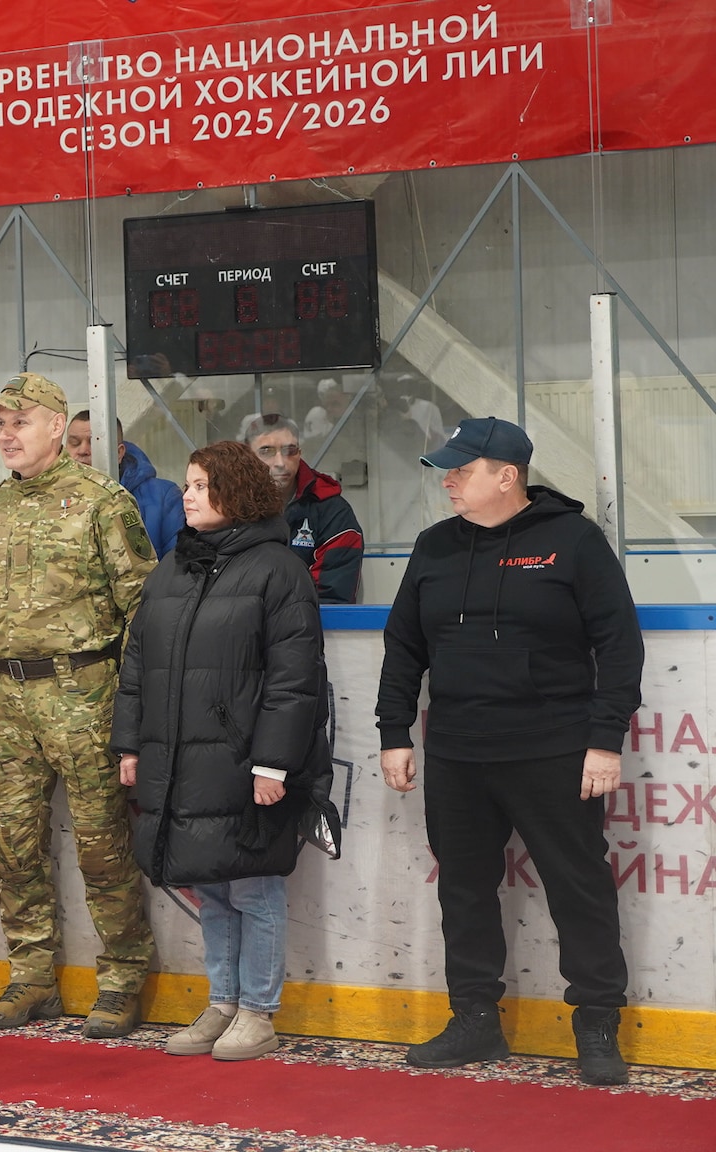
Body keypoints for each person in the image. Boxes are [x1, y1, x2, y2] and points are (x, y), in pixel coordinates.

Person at [377, 417, 643, 1087]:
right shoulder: (434, 546)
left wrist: (605, 740)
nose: (448, 481)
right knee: (464, 890)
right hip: (458, 751)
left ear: (506, 476)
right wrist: (393, 732)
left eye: (462, 470)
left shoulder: (573, 541)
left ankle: (597, 1024)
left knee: (578, 888)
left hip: (554, 748)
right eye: (447, 470)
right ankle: (475, 1020)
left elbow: (619, 645)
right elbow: (404, 646)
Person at [0, 372, 157, 1036]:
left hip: (85, 695)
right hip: (7, 699)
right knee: (13, 846)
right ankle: (32, 978)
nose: (7, 435)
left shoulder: (103, 502)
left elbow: (142, 612)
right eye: (1, 424)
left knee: (102, 847)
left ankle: (121, 980)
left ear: (58, 427)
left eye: (21, 421)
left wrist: (135, 712)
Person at [113, 441, 332, 1061]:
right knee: (210, 886)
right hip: (180, 761)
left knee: (253, 889)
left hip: (246, 762)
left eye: (201, 485)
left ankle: (258, 1012)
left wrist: (273, 763)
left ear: (236, 492)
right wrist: (129, 744)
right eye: (187, 484)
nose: (187, 496)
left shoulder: (278, 570)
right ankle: (223, 1002)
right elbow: (138, 666)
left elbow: (295, 679)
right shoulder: (172, 568)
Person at [246, 414, 363, 604]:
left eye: (290, 450)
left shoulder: (332, 511)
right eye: (266, 451)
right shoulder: (227, 508)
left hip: (305, 620)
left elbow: (332, 597)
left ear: (300, 453)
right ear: (247, 457)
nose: (280, 462)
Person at [67, 410, 184, 559]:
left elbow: (178, 564)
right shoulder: (51, 497)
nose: (83, 450)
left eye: (93, 442)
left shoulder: (163, 497)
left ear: (119, 453)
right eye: (74, 443)